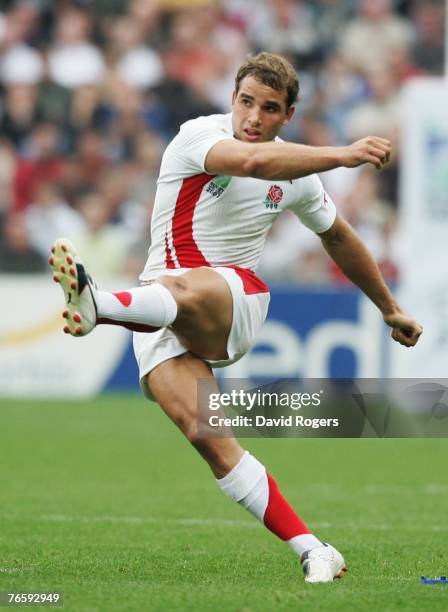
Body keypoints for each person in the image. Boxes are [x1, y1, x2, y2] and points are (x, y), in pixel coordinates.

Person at [49, 53, 422, 583]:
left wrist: (389, 307)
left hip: (233, 303)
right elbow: (252, 163)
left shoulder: (296, 174)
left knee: (181, 285)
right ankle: (315, 550)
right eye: (246, 102)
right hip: (161, 313)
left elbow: (337, 236)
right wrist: (342, 154)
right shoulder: (197, 137)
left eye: (269, 108)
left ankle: (99, 305)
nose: (253, 117)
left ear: (287, 115)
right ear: (232, 100)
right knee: (211, 440)